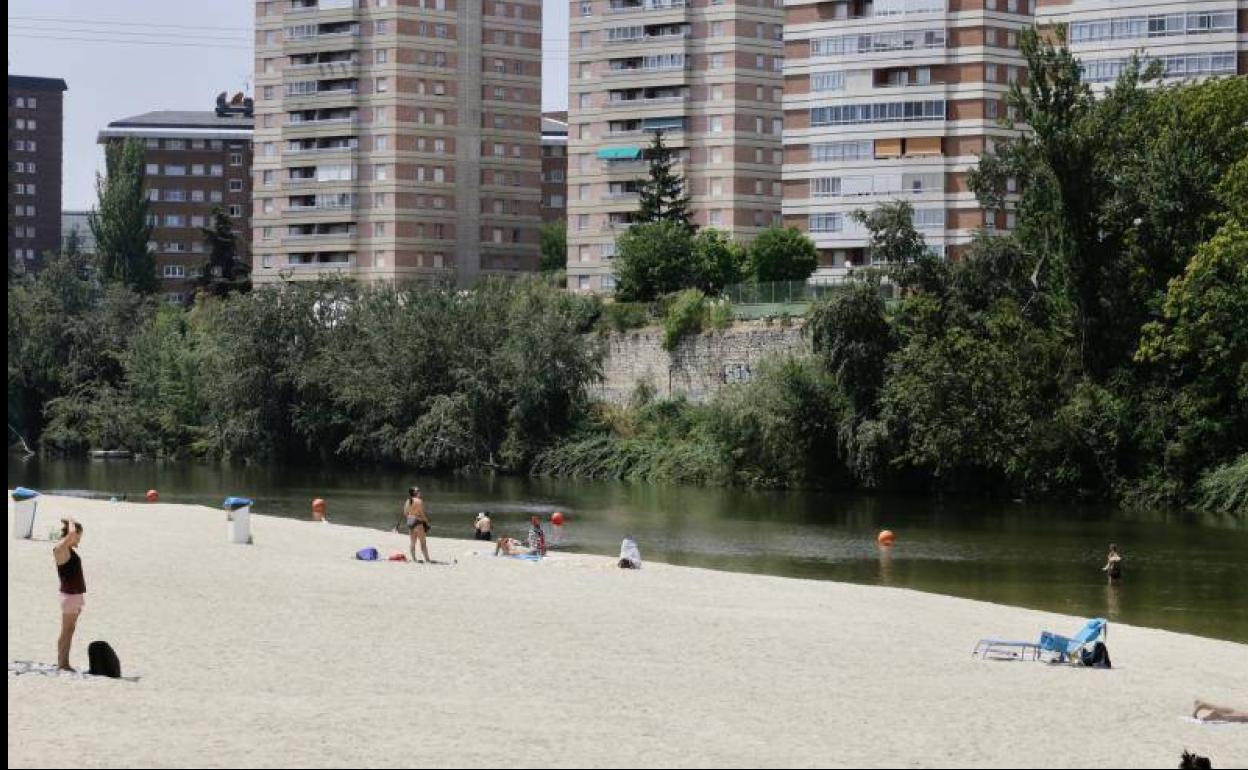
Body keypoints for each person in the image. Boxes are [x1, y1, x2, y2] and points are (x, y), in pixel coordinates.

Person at [53, 519, 86, 671]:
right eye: (79, 535)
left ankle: (64, 662)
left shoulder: (69, 550)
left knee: (70, 629)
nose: (79, 538)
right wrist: (71, 521)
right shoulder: (60, 548)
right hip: (70, 596)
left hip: (75, 595)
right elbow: (72, 533)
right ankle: (62, 663)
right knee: (66, 630)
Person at [403, 487, 432, 564]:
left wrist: (411, 517)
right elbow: (422, 514)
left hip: (410, 523)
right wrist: (427, 521)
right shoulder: (419, 501)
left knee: (412, 542)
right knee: (423, 542)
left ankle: (414, 559)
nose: (420, 491)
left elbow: (405, 514)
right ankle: (427, 559)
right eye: (418, 490)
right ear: (415, 493)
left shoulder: (407, 501)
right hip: (418, 524)